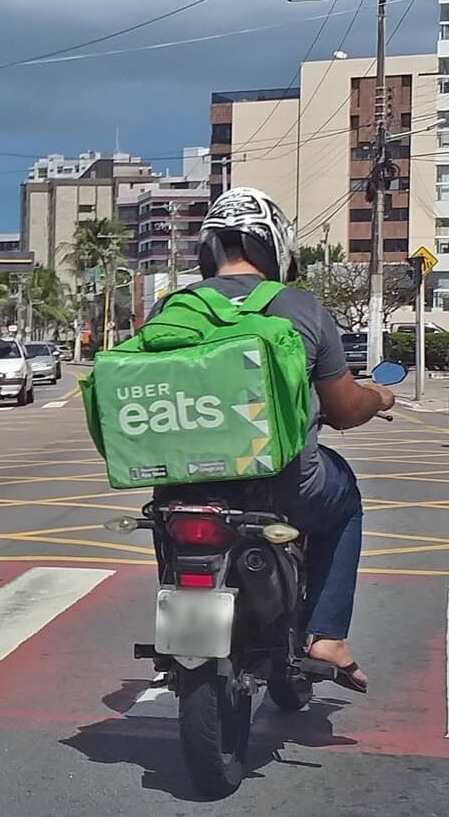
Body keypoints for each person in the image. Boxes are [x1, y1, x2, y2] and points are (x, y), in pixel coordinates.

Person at [189, 187, 394, 692]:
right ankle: (327, 635)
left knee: (174, 521)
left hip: (187, 484)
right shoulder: (297, 306)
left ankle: (184, 607)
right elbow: (343, 409)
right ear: (273, 246)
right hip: (282, 487)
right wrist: (378, 397)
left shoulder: (174, 307)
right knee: (345, 498)